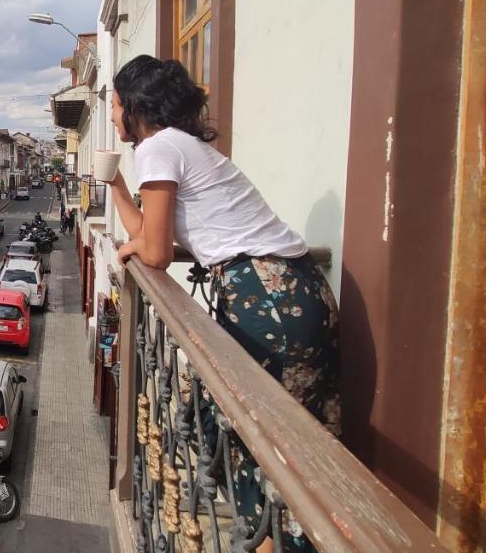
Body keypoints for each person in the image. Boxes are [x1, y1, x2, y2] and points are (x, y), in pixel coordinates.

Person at [108, 54, 339, 553]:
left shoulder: (157, 147)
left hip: (267, 297)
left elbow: (153, 251)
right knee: (275, 434)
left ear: (136, 108)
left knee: (264, 440)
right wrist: (114, 185)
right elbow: (149, 235)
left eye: (115, 103)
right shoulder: (178, 147)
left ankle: (281, 541)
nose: (110, 113)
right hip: (292, 291)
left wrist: (136, 247)